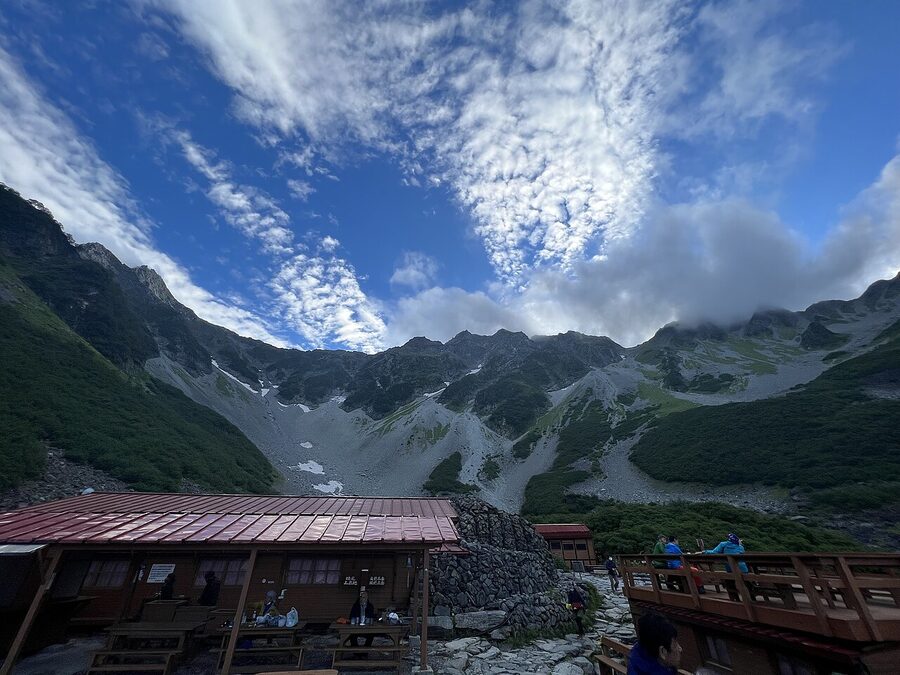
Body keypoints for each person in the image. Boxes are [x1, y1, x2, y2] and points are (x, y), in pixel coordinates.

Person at [704, 533, 749, 601]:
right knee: (744, 582)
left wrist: (705, 551)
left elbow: (714, 552)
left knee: (729, 580)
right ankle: (749, 597)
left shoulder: (723, 544)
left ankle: (734, 598)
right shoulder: (741, 547)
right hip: (743, 570)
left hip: (731, 570)